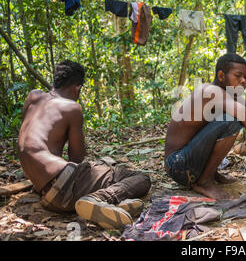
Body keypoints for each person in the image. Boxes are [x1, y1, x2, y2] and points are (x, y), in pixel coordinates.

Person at [18, 60, 151, 229]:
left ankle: (115, 207)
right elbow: (77, 157)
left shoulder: (33, 96)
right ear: (77, 88)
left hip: (45, 193)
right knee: (141, 179)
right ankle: (99, 199)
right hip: (64, 186)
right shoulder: (71, 107)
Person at [164, 53, 246, 200]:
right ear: (221, 76)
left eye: (245, 76)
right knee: (231, 121)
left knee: (233, 118)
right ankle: (204, 182)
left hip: (190, 160)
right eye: (238, 76)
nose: (243, 80)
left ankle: (211, 175)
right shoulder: (211, 92)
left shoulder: (233, 95)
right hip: (178, 165)